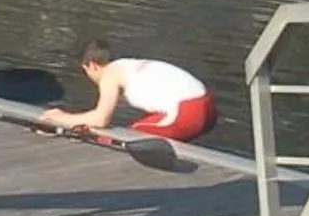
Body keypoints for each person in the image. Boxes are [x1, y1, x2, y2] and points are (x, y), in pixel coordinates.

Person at [37, 38, 216, 141]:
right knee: (133, 132)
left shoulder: (109, 74)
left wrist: (61, 118)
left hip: (188, 112)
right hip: (207, 104)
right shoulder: (127, 65)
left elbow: (101, 119)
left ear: (91, 65)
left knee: (124, 140)